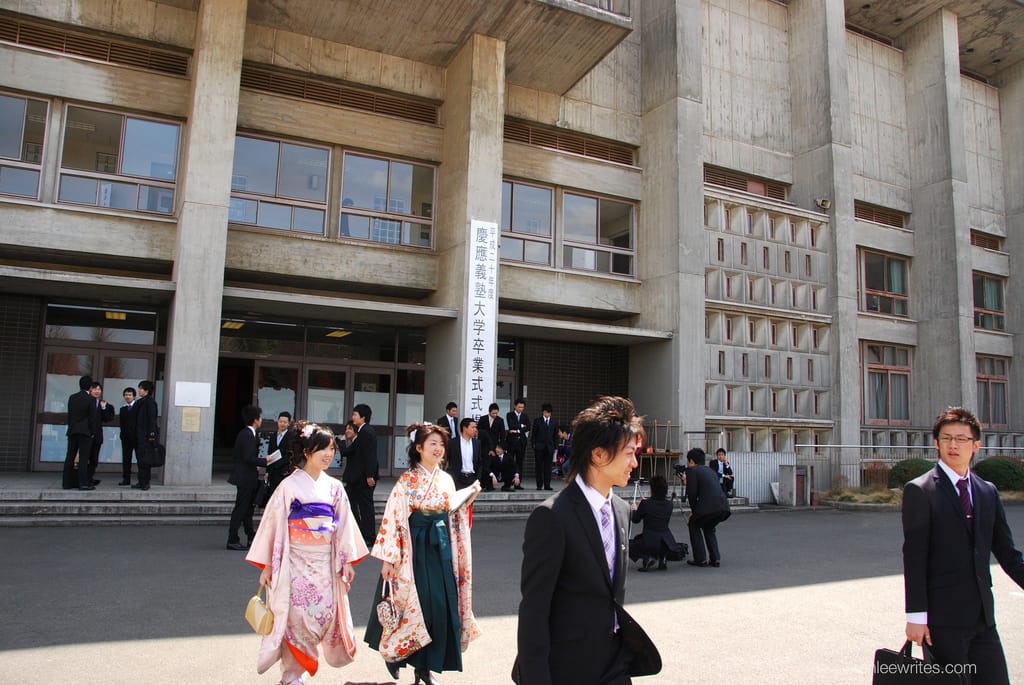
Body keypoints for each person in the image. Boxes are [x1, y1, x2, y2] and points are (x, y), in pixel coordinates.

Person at [514, 396, 654, 685]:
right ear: (598, 455)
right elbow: (534, 611)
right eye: (628, 453)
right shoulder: (552, 517)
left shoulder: (621, 510)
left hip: (614, 665)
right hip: (567, 667)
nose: (634, 462)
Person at [902, 407, 1024, 684]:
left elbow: (1007, 553)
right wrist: (916, 616)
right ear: (936, 443)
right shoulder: (920, 491)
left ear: (976, 445)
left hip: (983, 618)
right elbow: (914, 557)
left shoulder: (987, 491)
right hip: (942, 621)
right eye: (946, 438)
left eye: (961, 439)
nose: (953, 445)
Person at [246, 421, 369, 685]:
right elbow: (272, 527)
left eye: (332, 449)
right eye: (322, 449)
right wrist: (268, 564)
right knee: (296, 619)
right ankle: (292, 675)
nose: (328, 454)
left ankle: (296, 672)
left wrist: (346, 560)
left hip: (324, 563)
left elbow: (344, 525)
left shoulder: (334, 487)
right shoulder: (289, 486)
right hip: (295, 562)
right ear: (306, 452)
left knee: (320, 616)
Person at [365, 421, 482, 685]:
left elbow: (452, 511)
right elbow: (393, 519)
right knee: (413, 606)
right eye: (432, 444)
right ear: (418, 448)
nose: (438, 449)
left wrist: (466, 499)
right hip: (413, 548)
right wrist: (389, 558)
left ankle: (424, 669)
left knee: (438, 606)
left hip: (440, 546)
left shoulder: (446, 479)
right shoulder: (407, 481)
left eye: (441, 444)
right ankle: (395, 655)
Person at [681, 447, 731, 568]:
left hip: (708, 507)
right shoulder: (710, 471)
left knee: (693, 524)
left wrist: (694, 512)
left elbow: (692, 494)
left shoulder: (692, 471)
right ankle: (715, 559)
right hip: (723, 507)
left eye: (688, 462)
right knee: (709, 526)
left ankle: (700, 559)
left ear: (691, 461)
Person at [227, 405, 267, 550]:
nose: (261, 420)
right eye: (260, 417)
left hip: (247, 476)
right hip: (245, 477)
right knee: (241, 508)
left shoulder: (246, 434)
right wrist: (265, 461)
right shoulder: (248, 435)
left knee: (247, 508)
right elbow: (249, 458)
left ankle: (251, 535)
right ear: (256, 420)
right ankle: (232, 538)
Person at [339, 403, 378, 546]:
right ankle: (362, 533)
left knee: (366, 507)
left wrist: (370, 475)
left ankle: (369, 536)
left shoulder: (366, 432)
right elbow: (351, 452)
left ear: (363, 417)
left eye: (355, 415)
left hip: (363, 478)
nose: (353, 417)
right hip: (358, 478)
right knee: (358, 505)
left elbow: (370, 456)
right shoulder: (363, 432)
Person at [629, 474, 685, 571]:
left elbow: (635, 519)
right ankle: (661, 557)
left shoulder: (646, 504)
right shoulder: (669, 505)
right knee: (657, 544)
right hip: (666, 542)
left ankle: (648, 558)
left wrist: (634, 509)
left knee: (629, 545)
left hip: (649, 541)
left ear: (652, 489)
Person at [63, 375, 96, 490]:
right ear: (90, 387)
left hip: (73, 430)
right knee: (83, 457)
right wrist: (92, 432)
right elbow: (92, 418)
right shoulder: (91, 400)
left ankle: (66, 483)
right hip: (85, 431)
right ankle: (83, 483)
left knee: (70, 457)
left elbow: (70, 415)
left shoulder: (72, 397)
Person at [85, 382, 115, 486]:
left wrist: (103, 408)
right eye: (95, 389)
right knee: (85, 458)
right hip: (86, 434)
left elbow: (108, 418)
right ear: (90, 390)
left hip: (97, 435)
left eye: (99, 389)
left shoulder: (101, 404)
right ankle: (84, 479)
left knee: (94, 458)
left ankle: (90, 477)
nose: (97, 391)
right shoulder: (86, 402)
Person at [132, 379, 159, 491]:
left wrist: (152, 435)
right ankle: (141, 481)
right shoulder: (140, 402)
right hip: (139, 435)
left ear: (146, 390)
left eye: (141, 388)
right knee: (140, 459)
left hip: (146, 437)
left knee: (145, 460)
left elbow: (152, 419)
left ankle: (145, 482)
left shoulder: (150, 402)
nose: (139, 390)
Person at [446, 417, 484, 489]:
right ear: (464, 428)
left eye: (475, 427)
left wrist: (478, 478)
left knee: (471, 500)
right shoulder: (453, 443)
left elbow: (479, 462)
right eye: (472, 427)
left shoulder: (476, 443)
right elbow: (446, 459)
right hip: (457, 478)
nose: (475, 430)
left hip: (472, 478)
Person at [265, 411, 293, 500]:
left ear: (288, 423)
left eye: (285, 422)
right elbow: (270, 453)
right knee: (273, 495)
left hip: (284, 471)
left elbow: (291, 454)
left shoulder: (291, 436)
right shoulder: (273, 436)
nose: (282, 424)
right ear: (277, 422)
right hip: (273, 471)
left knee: (283, 495)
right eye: (280, 421)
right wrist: (267, 471)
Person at [531, 403, 557, 491]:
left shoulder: (554, 421)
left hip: (549, 447)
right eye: (546, 412)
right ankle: (539, 485)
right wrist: (533, 445)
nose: (547, 414)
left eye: (549, 413)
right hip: (539, 447)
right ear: (543, 412)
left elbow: (555, 435)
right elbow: (533, 434)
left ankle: (547, 485)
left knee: (548, 467)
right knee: (539, 466)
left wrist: (555, 447)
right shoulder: (537, 421)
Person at [506, 399, 530, 491]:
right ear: (515, 406)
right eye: (519, 407)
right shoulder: (510, 415)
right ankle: (508, 482)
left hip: (521, 443)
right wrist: (522, 427)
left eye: (522, 407)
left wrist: (517, 430)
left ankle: (518, 483)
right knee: (510, 462)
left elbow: (529, 427)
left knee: (520, 463)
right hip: (511, 443)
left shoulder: (525, 416)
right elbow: (511, 425)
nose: (521, 409)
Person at [118, 387, 137, 486]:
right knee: (126, 459)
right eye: (126, 395)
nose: (127, 397)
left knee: (140, 459)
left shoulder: (138, 407)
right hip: (125, 438)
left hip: (136, 437)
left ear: (134, 396)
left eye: (129, 395)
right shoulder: (123, 409)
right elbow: (122, 424)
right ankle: (126, 479)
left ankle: (141, 479)